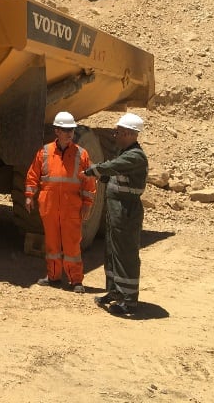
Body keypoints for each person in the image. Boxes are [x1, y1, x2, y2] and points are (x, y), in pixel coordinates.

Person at [82, 112, 148, 316]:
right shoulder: (124, 152)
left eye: (118, 132)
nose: (115, 135)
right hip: (116, 209)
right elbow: (118, 176)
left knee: (125, 254)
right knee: (111, 252)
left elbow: (113, 167)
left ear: (128, 133)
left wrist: (92, 171)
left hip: (126, 211)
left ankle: (128, 301)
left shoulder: (134, 156)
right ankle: (114, 292)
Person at [25, 111, 96, 293]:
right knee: (52, 244)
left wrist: (88, 203)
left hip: (71, 207)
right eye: (64, 130)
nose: (68, 133)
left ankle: (76, 280)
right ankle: (54, 276)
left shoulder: (82, 154)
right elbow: (33, 174)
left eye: (71, 130)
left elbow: (89, 182)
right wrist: (29, 195)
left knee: (72, 244)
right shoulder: (45, 152)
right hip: (49, 205)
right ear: (56, 131)